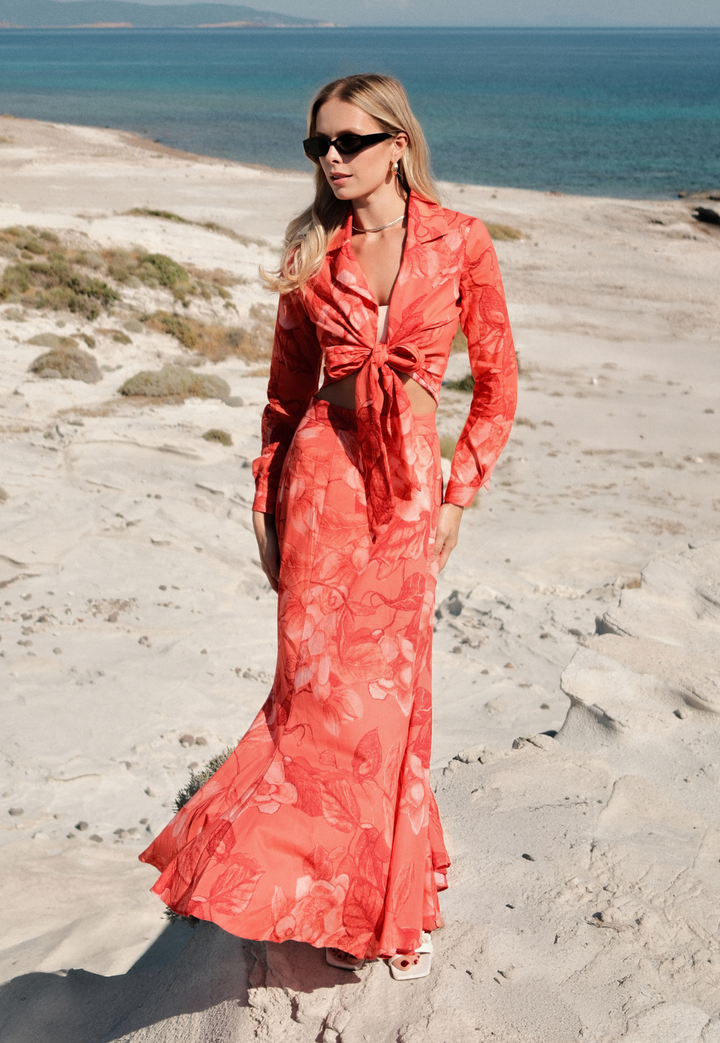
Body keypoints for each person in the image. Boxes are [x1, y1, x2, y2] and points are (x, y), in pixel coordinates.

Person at [140, 73, 517, 981]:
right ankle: (300, 892)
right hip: (320, 480)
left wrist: (458, 493)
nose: (332, 160)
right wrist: (265, 499)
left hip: (406, 493)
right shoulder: (312, 250)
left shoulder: (461, 242)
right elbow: (281, 396)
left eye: (349, 141)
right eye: (319, 146)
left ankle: (381, 902)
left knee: (386, 702)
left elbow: (499, 385)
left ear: (397, 143)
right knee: (309, 698)